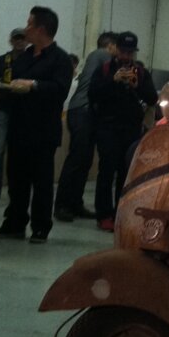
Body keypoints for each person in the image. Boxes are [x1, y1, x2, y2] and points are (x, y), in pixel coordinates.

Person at [0, 7, 73, 243]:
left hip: (42, 131)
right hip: (19, 127)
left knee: (42, 181)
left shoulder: (60, 60)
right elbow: (11, 78)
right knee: (16, 179)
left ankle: (40, 227)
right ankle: (14, 222)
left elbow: (59, 90)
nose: (25, 29)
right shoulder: (25, 56)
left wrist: (33, 85)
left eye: (29, 24)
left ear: (41, 29)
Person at [89, 31, 157, 232]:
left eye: (130, 52)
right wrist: (114, 81)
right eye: (123, 51)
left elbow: (152, 98)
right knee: (106, 170)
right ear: (116, 49)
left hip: (131, 129)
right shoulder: (104, 70)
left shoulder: (141, 72)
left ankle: (122, 212)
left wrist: (136, 87)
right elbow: (93, 94)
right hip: (107, 127)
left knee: (126, 173)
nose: (127, 56)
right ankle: (104, 214)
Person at [54, 31, 117, 222]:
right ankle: (63, 205)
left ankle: (74, 203)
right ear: (110, 46)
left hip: (83, 111)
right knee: (77, 158)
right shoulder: (102, 55)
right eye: (117, 47)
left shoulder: (94, 58)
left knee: (84, 159)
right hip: (83, 110)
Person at [0, 27, 29, 209]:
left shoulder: (32, 61)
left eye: (22, 38)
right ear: (11, 40)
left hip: (24, 112)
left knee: (19, 155)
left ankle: (16, 195)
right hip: (3, 109)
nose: (19, 41)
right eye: (16, 38)